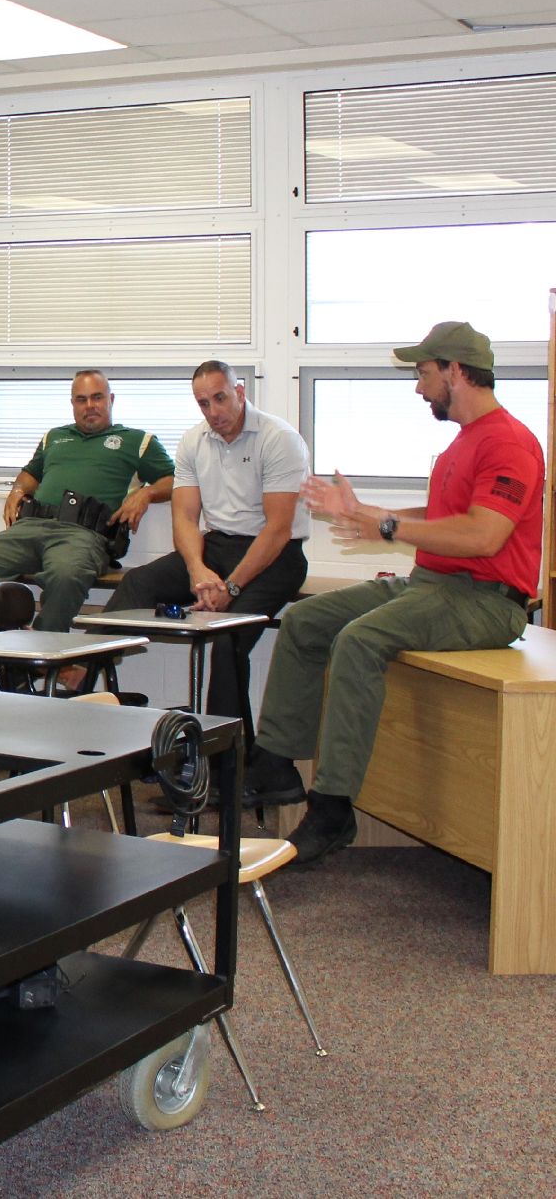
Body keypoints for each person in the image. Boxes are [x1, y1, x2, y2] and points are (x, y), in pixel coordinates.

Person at [247, 322, 542, 866]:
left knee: (358, 641)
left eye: (423, 373)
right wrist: (365, 514)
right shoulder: (465, 442)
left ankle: (333, 810)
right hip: (434, 585)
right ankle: (274, 765)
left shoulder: (511, 442)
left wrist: (387, 528)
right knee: (306, 620)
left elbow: (483, 534)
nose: (418, 387)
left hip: (484, 600)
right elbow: (440, 518)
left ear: (455, 370)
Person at [82, 363, 310, 712]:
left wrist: (230, 588)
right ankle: (79, 677)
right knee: (138, 582)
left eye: (220, 398)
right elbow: (186, 518)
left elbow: (278, 530)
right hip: (217, 546)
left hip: (275, 556)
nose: (213, 412)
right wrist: (197, 570)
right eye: (203, 403)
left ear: (240, 392)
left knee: (226, 639)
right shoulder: (192, 441)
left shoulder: (279, 439)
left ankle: (227, 756)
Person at [0, 369, 175, 640]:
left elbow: (176, 481)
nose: (90, 406)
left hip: (82, 535)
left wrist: (147, 494)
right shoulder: (54, 437)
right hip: (30, 526)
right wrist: (17, 489)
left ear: (111, 399)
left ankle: (39, 655)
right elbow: (30, 474)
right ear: (72, 404)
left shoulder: (139, 442)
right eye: (81, 399)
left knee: (66, 577)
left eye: (97, 397)